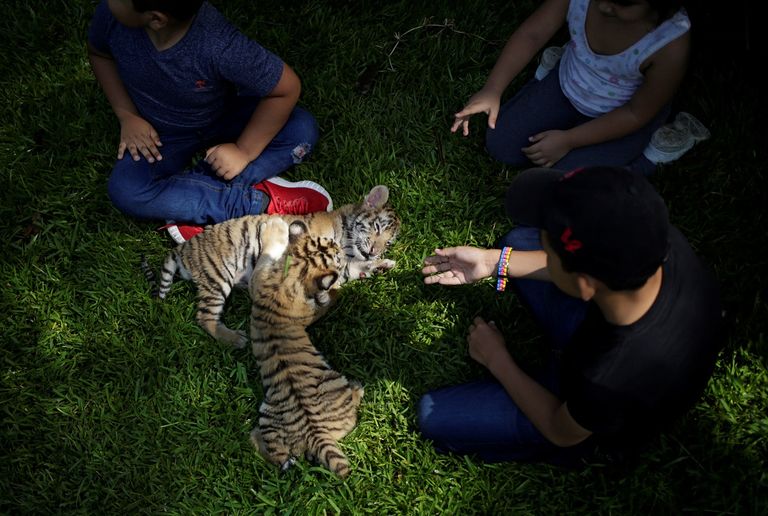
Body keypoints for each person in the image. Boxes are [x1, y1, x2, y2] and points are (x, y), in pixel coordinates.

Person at [418, 166, 724, 466]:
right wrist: (492, 261)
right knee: (517, 242)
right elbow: (574, 267)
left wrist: (498, 359)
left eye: (549, 254)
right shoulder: (651, 237)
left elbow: (560, 431)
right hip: (595, 330)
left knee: (433, 416)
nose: (544, 248)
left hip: (579, 417)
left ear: (584, 285)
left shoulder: (609, 378)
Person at [88, 0, 332, 244]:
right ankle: (252, 201)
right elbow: (99, 54)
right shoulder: (110, 15)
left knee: (302, 127)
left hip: (223, 116)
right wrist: (127, 115)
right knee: (127, 190)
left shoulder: (218, 43)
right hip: (158, 133)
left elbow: (287, 88)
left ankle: (195, 203)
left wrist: (243, 151)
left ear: (156, 19)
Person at [451, 0, 709, 176]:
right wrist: (493, 89)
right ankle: (559, 64)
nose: (605, 6)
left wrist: (569, 140)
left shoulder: (670, 42)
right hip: (569, 84)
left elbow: (636, 112)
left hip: (622, 116)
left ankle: (655, 153)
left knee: (566, 184)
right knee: (500, 144)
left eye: (625, 3)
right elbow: (533, 33)